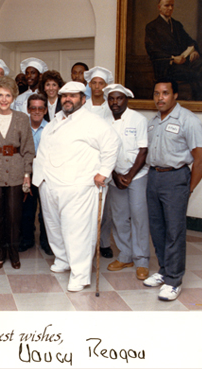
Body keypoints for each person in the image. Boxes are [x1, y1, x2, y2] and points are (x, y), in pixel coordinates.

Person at [32, 81, 120, 292]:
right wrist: (40, 179)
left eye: (72, 96)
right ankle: (63, 260)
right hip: (50, 184)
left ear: (83, 99)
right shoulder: (55, 120)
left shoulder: (93, 122)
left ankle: (80, 275)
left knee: (77, 231)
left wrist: (104, 172)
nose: (67, 99)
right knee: (54, 228)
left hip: (79, 187)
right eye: (64, 96)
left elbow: (112, 144)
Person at [144, 78, 202, 301]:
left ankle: (174, 280)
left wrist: (187, 190)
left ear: (175, 95)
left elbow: (200, 160)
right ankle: (164, 270)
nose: (159, 98)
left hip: (176, 178)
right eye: (156, 93)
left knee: (174, 231)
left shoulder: (188, 120)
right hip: (154, 177)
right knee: (158, 229)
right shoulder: (152, 122)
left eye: (165, 93)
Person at [0, 76, 35, 269]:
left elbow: (28, 149)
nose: (4, 99)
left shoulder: (22, 118)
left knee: (14, 215)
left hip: (16, 170)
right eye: (0, 95)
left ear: (13, 97)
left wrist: (27, 174)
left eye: (7, 95)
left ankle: (13, 253)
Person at [102, 84, 150, 281]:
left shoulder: (138, 119)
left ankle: (142, 260)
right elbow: (104, 151)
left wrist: (129, 175)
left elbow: (143, 150)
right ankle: (125, 255)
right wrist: (114, 174)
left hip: (137, 176)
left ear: (126, 100)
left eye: (119, 98)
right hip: (115, 176)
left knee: (138, 216)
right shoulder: (103, 121)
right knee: (119, 217)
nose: (115, 102)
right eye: (111, 99)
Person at [145, 0, 202, 101]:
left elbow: (190, 41)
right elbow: (153, 51)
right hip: (166, 67)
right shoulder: (152, 27)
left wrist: (194, 50)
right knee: (198, 74)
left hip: (183, 63)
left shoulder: (177, 25)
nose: (170, 8)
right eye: (167, 5)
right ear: (159, 7)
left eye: (172, 5)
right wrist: (173, 58)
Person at [84, 66, 116, 258]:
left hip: (104, 163)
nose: (97, 87)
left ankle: (103, 243)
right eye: (94, 83)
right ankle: (88, 244)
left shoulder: (110, 108)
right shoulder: (83, 105)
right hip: (85, 162)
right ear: (89, 85)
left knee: (105, 209)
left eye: (101, 83)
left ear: (105, 86)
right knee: (86, 208)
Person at [20, 94, 52, 255]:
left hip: (45, 175)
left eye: (40, 108)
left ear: (45, 110)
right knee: (26, 210)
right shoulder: (21, 126)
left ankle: (46, 242)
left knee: (46, 211)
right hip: (26, 174)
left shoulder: (51, 129)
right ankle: (27, 240)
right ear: (28, 109)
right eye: (33, 108)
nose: (37, 111)